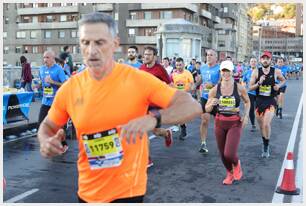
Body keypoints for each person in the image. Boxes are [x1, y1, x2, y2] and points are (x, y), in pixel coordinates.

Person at [37, 12, 202, 203]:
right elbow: (48, 126)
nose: (91, 50)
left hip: (128, 192)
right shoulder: (70, 89)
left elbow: (192, 106)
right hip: (87, 193)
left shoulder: (137, 80)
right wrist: (45, 141)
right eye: (85, 42)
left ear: (115, 43)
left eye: (99, 42)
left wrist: (153, 118)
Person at [205, 60, 250, 185]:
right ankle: (229, 173)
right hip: (219, 123)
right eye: (223, 71)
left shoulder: (239, 88)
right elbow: (207, 109)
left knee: (229, 153)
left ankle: (236, 164)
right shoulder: (214, 90)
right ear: (220, 72)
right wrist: (211, 104)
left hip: (234, 123)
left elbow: (247, 101)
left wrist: (246, 115)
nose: (225, 73)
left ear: (232, 72)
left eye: (228, 71)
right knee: (222, 154)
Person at [140, 46, 174, 167]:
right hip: (142, 104)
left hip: (155, 105)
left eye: (149, 54)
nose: (146, 57)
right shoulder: (142, 68)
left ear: (155, 57)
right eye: (145, 54)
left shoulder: (160, 69)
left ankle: (166, 133)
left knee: (156, 131)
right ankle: (147, 159)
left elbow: (171, 85)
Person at [249, 51, 286, 158]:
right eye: (263, 58)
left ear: (270, 60)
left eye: (267, 58)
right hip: (259, 101)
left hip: (270, 101)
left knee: (266, 124)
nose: (265, 60)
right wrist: (259, 83)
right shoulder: (256, 72)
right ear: (260, 60)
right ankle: (264, 142)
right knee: (261, 127)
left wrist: (278, 86)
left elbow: (284, 80)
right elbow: (250, 87)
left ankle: (266, 146)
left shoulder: (276, 71)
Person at [196, 49, 220, 154]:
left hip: (216, 98)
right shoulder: (203, 67)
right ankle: (203, 143)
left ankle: (222, 143)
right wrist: (194, 85)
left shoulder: (220, 69)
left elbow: (222, 83)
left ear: (216, 57)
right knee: (204, 120)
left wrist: (212, 86)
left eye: (211, 55)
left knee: (219, 123)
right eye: (207, 55)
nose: (208, 57)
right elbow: (201, 81)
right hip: (205, 97)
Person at [38, 50, 68, 127]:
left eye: (47, 57)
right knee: (40, 124)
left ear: (53, 58)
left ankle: (61, 138)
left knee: (58, 127)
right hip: (45, 101)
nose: (45, 60)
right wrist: (38, 85)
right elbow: (42, 82)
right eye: (44, 57)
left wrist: (53, 82)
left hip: (57, 102)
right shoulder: (41, 69)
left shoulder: (58, 69)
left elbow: (66, 85)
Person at [171, 57, 194, 140]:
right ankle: (182, 125)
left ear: (183, 64)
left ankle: (183, 128)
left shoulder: (187, 73)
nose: (178, 67)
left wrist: (187, 90)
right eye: (177, 65)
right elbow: (171, 84)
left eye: (180, 65)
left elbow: (192, 84)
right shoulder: (173, 74)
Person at [242, 57, 257, 131]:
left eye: (254, 61)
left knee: (258, 109)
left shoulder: (259, 71)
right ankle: (253, 124)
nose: (253, 62)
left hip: (258, 93)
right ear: (250, 63)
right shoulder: (247, 72)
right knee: (251, 109)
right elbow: (243, 81)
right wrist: (243, 85)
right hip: (250, 92)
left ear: (256, 63)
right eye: (252, 61)